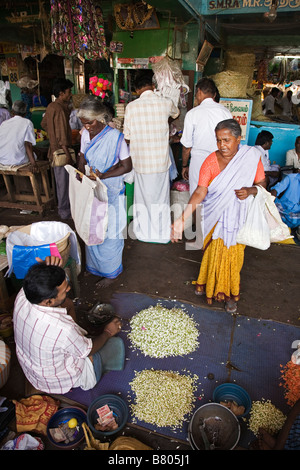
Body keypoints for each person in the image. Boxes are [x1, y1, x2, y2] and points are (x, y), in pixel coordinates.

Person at [171, 119, 266, 314]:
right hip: (214, 215)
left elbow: (263, 184)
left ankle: (230, 294)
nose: (222, 145)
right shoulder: (211, 161)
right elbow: (200, 191)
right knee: (212, 251)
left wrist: (250, 190)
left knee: (234, 256)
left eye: (226, 140)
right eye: (218, 140)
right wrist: (182, 219)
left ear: (239, 139)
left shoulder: (251, 157)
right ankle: (207, 283)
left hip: (239, 217)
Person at [13, 256, 125, 395]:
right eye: (65, 290)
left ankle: (76, 340)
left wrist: (47, 270)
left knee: (69, 304)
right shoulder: (61, 329)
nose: (69, 288)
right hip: (54, 379)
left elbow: (42, 281)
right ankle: (88, 374)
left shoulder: (24, 294)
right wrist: (108, 332)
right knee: (114, 347)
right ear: (48, 302)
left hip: (31, 368)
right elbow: (87, 350)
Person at [77, 96, 132, 288]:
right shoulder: (85, 134)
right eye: (84, 123)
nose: (88, 127)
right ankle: (94, 267)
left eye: (90, 122)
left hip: (111, 189)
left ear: (100, 118)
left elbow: (126, 165)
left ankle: (111, 272)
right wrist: (80, 174)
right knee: (92, 227)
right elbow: (82, 157)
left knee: (110, 231)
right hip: (92, 188)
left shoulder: (115, 137)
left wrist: (104, 175)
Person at [123, 70, 179, 244]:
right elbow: (175, 114)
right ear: (153, 86)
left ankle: (143, 232)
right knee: (160, 200)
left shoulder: (131, 107)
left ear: (137, 90)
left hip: (140, 161)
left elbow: (127, 136)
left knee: (143, 199)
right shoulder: (165, 103)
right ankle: (161, 235)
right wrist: (164, 122)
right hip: (160, 162)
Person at [180, 77, 232, 196]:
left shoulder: (192, 113)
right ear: (214, 95)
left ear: (198, 92)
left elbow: (186, 146)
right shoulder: (226, 112)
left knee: (197, 197)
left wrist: (184, 165)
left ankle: (197, 216)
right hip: (220, 161)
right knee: (216, 197)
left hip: (199, 162)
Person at [41, 78, 74, 220]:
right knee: (64, 183)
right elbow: (62, 135)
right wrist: (67, 154)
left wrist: (52, 136)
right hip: (61, 152)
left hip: (54, 149)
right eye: (68, 92)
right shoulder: (60, 109)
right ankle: (65, 211)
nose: (70, 94)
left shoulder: (51, 106)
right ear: (61, 93)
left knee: (61, 183)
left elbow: (44, 124)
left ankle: (63, 209)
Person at [0, 100, 38, 172]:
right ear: (25, 113)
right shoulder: (27, 122)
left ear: (12, 112)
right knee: (35, 155)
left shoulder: (4, 123)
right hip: (16, 161)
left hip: (2, 160)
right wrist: (34, 164)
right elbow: (28, 145)